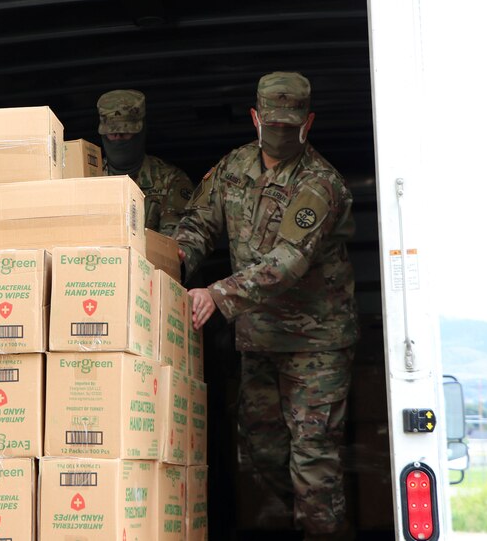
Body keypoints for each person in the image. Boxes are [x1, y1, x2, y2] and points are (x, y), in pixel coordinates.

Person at [173, 72, 358, 540]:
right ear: (255, 118)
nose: (279, 133)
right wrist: (175, 260)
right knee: (260, 451)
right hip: (259, 339)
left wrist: (217, 294)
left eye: (289, 126)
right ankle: (310, 520)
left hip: (316, 344)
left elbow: (288, 262)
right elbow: (198, 222)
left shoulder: (320, 184)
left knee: (314, 461)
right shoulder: (234, 167)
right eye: (270, 124)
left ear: (308, 122)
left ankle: (322, 529)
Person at [97, 89, 193, 235]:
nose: (118, 138)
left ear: (140, 133)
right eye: (112, 133)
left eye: (124, 132)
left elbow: (173, 244)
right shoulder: (88, 176)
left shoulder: (170, 180)